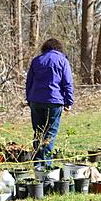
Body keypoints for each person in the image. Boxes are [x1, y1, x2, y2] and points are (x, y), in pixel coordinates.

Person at [25, 38, 74, 167]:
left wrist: (29, 99)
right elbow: (68, 83)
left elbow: (29, 82)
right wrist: (69, 101)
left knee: (38, 131)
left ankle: (37, 162)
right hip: (54, 101)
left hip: (36, 100)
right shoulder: (63, 61)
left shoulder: (37, 61)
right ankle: (46, 163)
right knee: (50, 132)